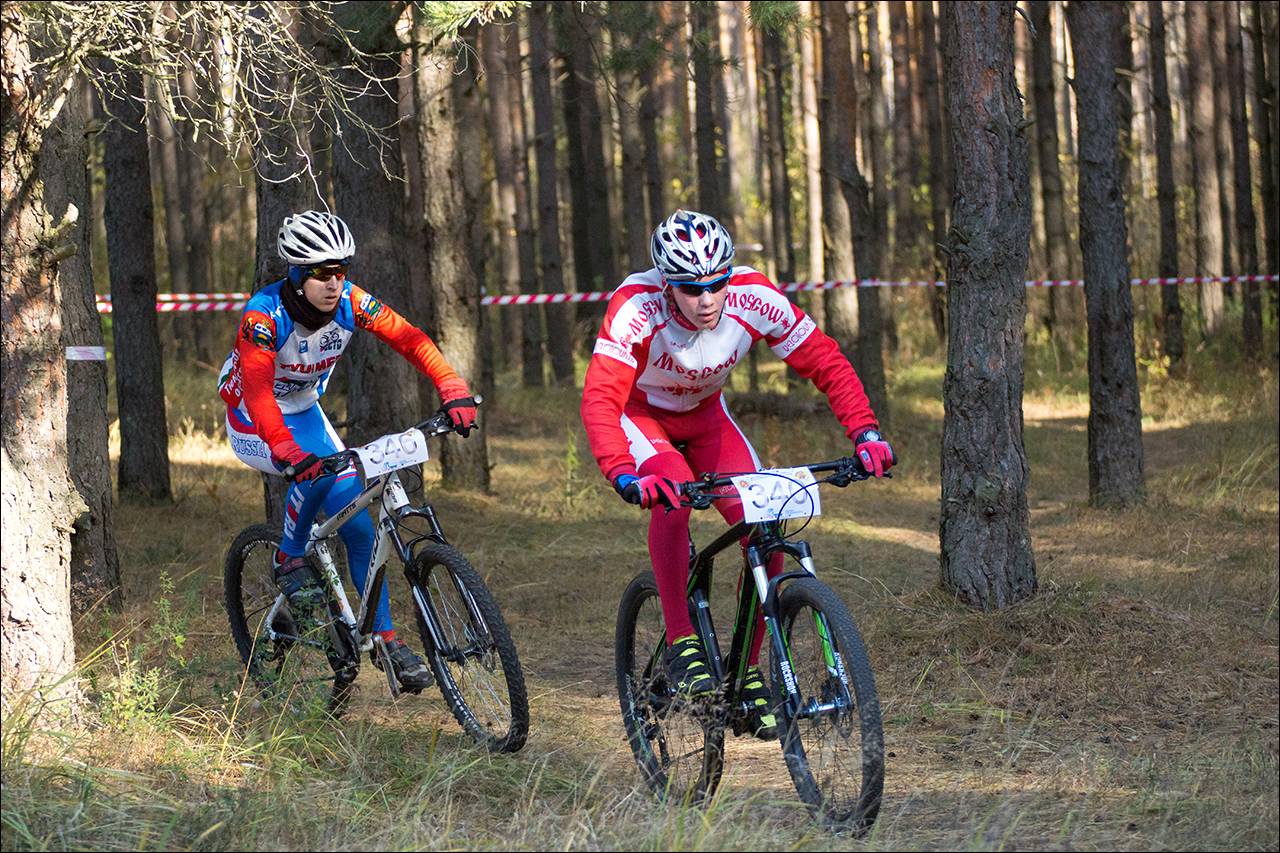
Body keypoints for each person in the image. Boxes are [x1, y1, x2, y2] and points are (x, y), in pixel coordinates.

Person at [580, 209, 895, 738]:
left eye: (715, 285)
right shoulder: (635, 305)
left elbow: (825, 361)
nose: (706, 300)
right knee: (674, 495)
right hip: (643, 417)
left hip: (707, 419)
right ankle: (682, 642)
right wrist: (624, 472)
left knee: (767, 524)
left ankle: (748, 672)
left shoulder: (753, 296)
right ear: (665, 282)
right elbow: (601, 397)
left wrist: (864, 432)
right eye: (689, 288)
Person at [218, 210, 478, 691]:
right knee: (313, 474)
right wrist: (286, 450)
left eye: (340, 270)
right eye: (320, 273)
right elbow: (256, 390)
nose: (334, 282)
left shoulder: (350, 302)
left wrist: (451, 385)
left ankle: (386, 640)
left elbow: (408, 337)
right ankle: (288, 558)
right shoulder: (263, 315)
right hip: (254, 416)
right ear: (295, 275)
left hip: (302, 408)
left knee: (359, 526)